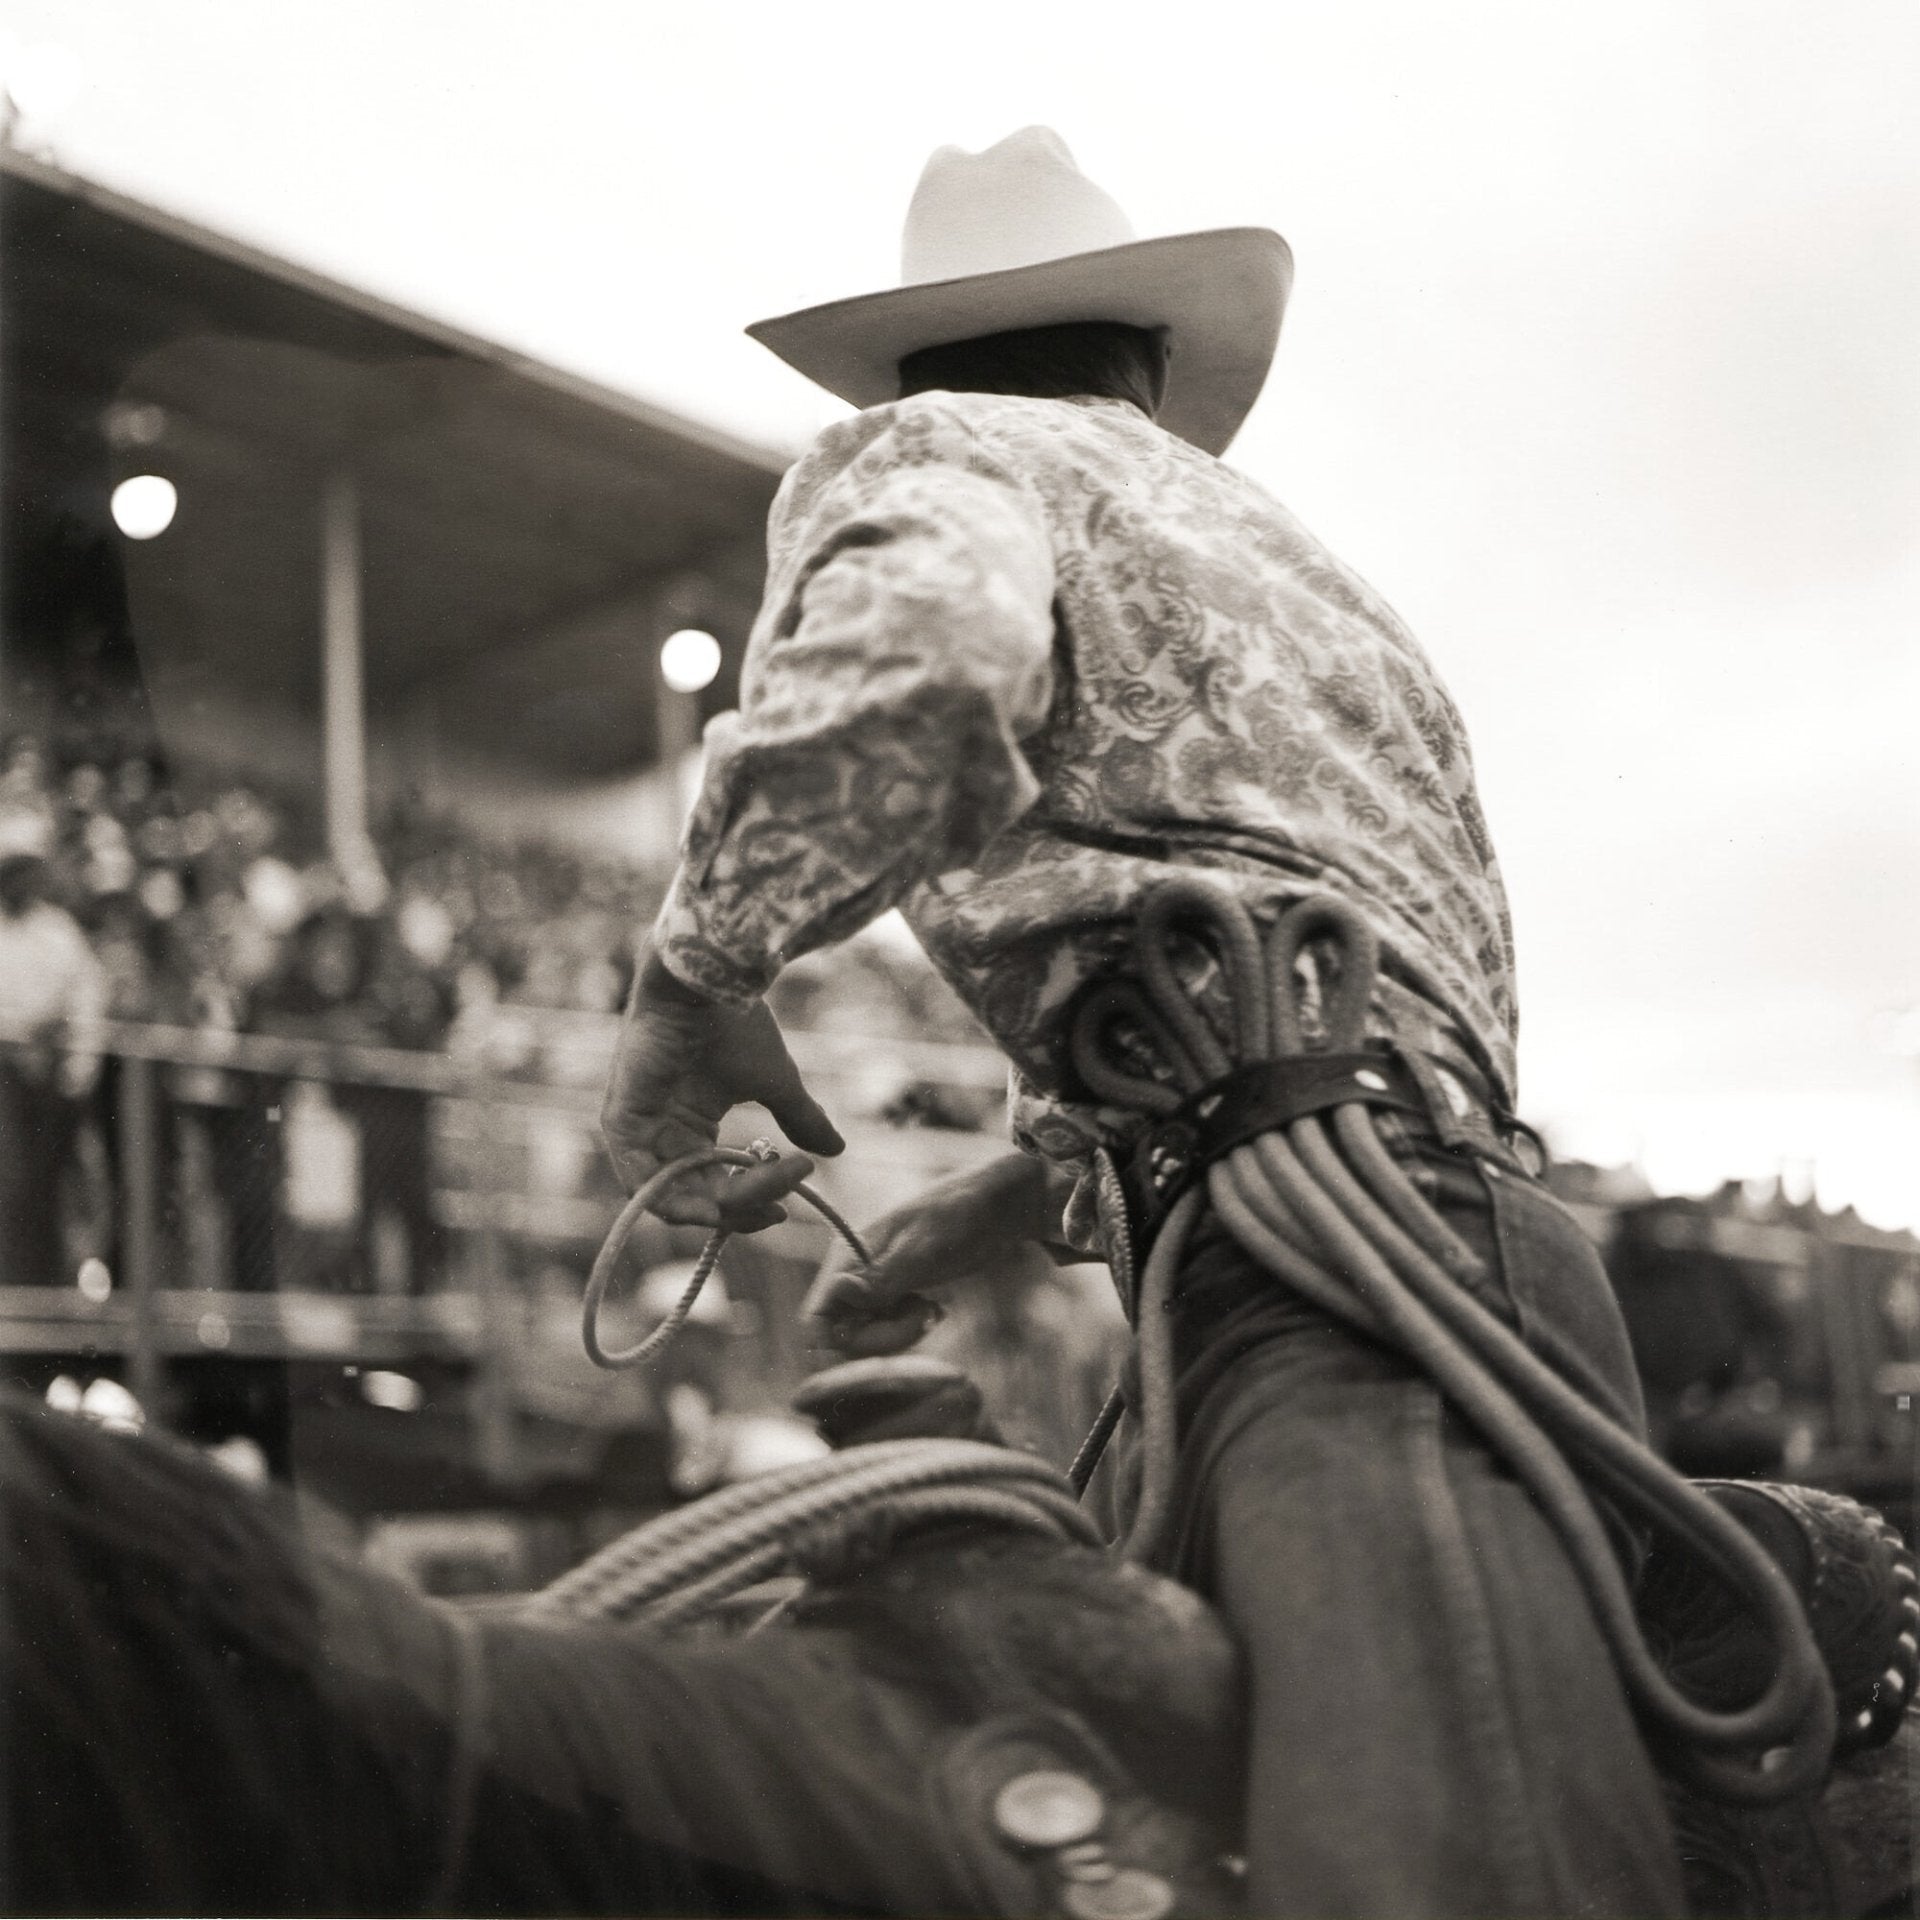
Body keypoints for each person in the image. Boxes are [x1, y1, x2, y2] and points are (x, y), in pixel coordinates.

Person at [600, 128, 1686, 1913]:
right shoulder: (1298, 563)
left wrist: (690, 976)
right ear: (1155, 369)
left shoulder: (930, 448)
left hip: (1332, 1290)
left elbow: (930, 664)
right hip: (1431, 1252)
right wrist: (1027, 1188)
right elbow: (1325, 955)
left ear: (912, 365)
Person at [0, 804, 106, 1286]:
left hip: (46, 1083)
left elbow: (86, 1001)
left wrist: (75, 1073)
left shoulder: (59, 932)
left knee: (47, 1193)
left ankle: (41, 1291)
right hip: (5, 1074)